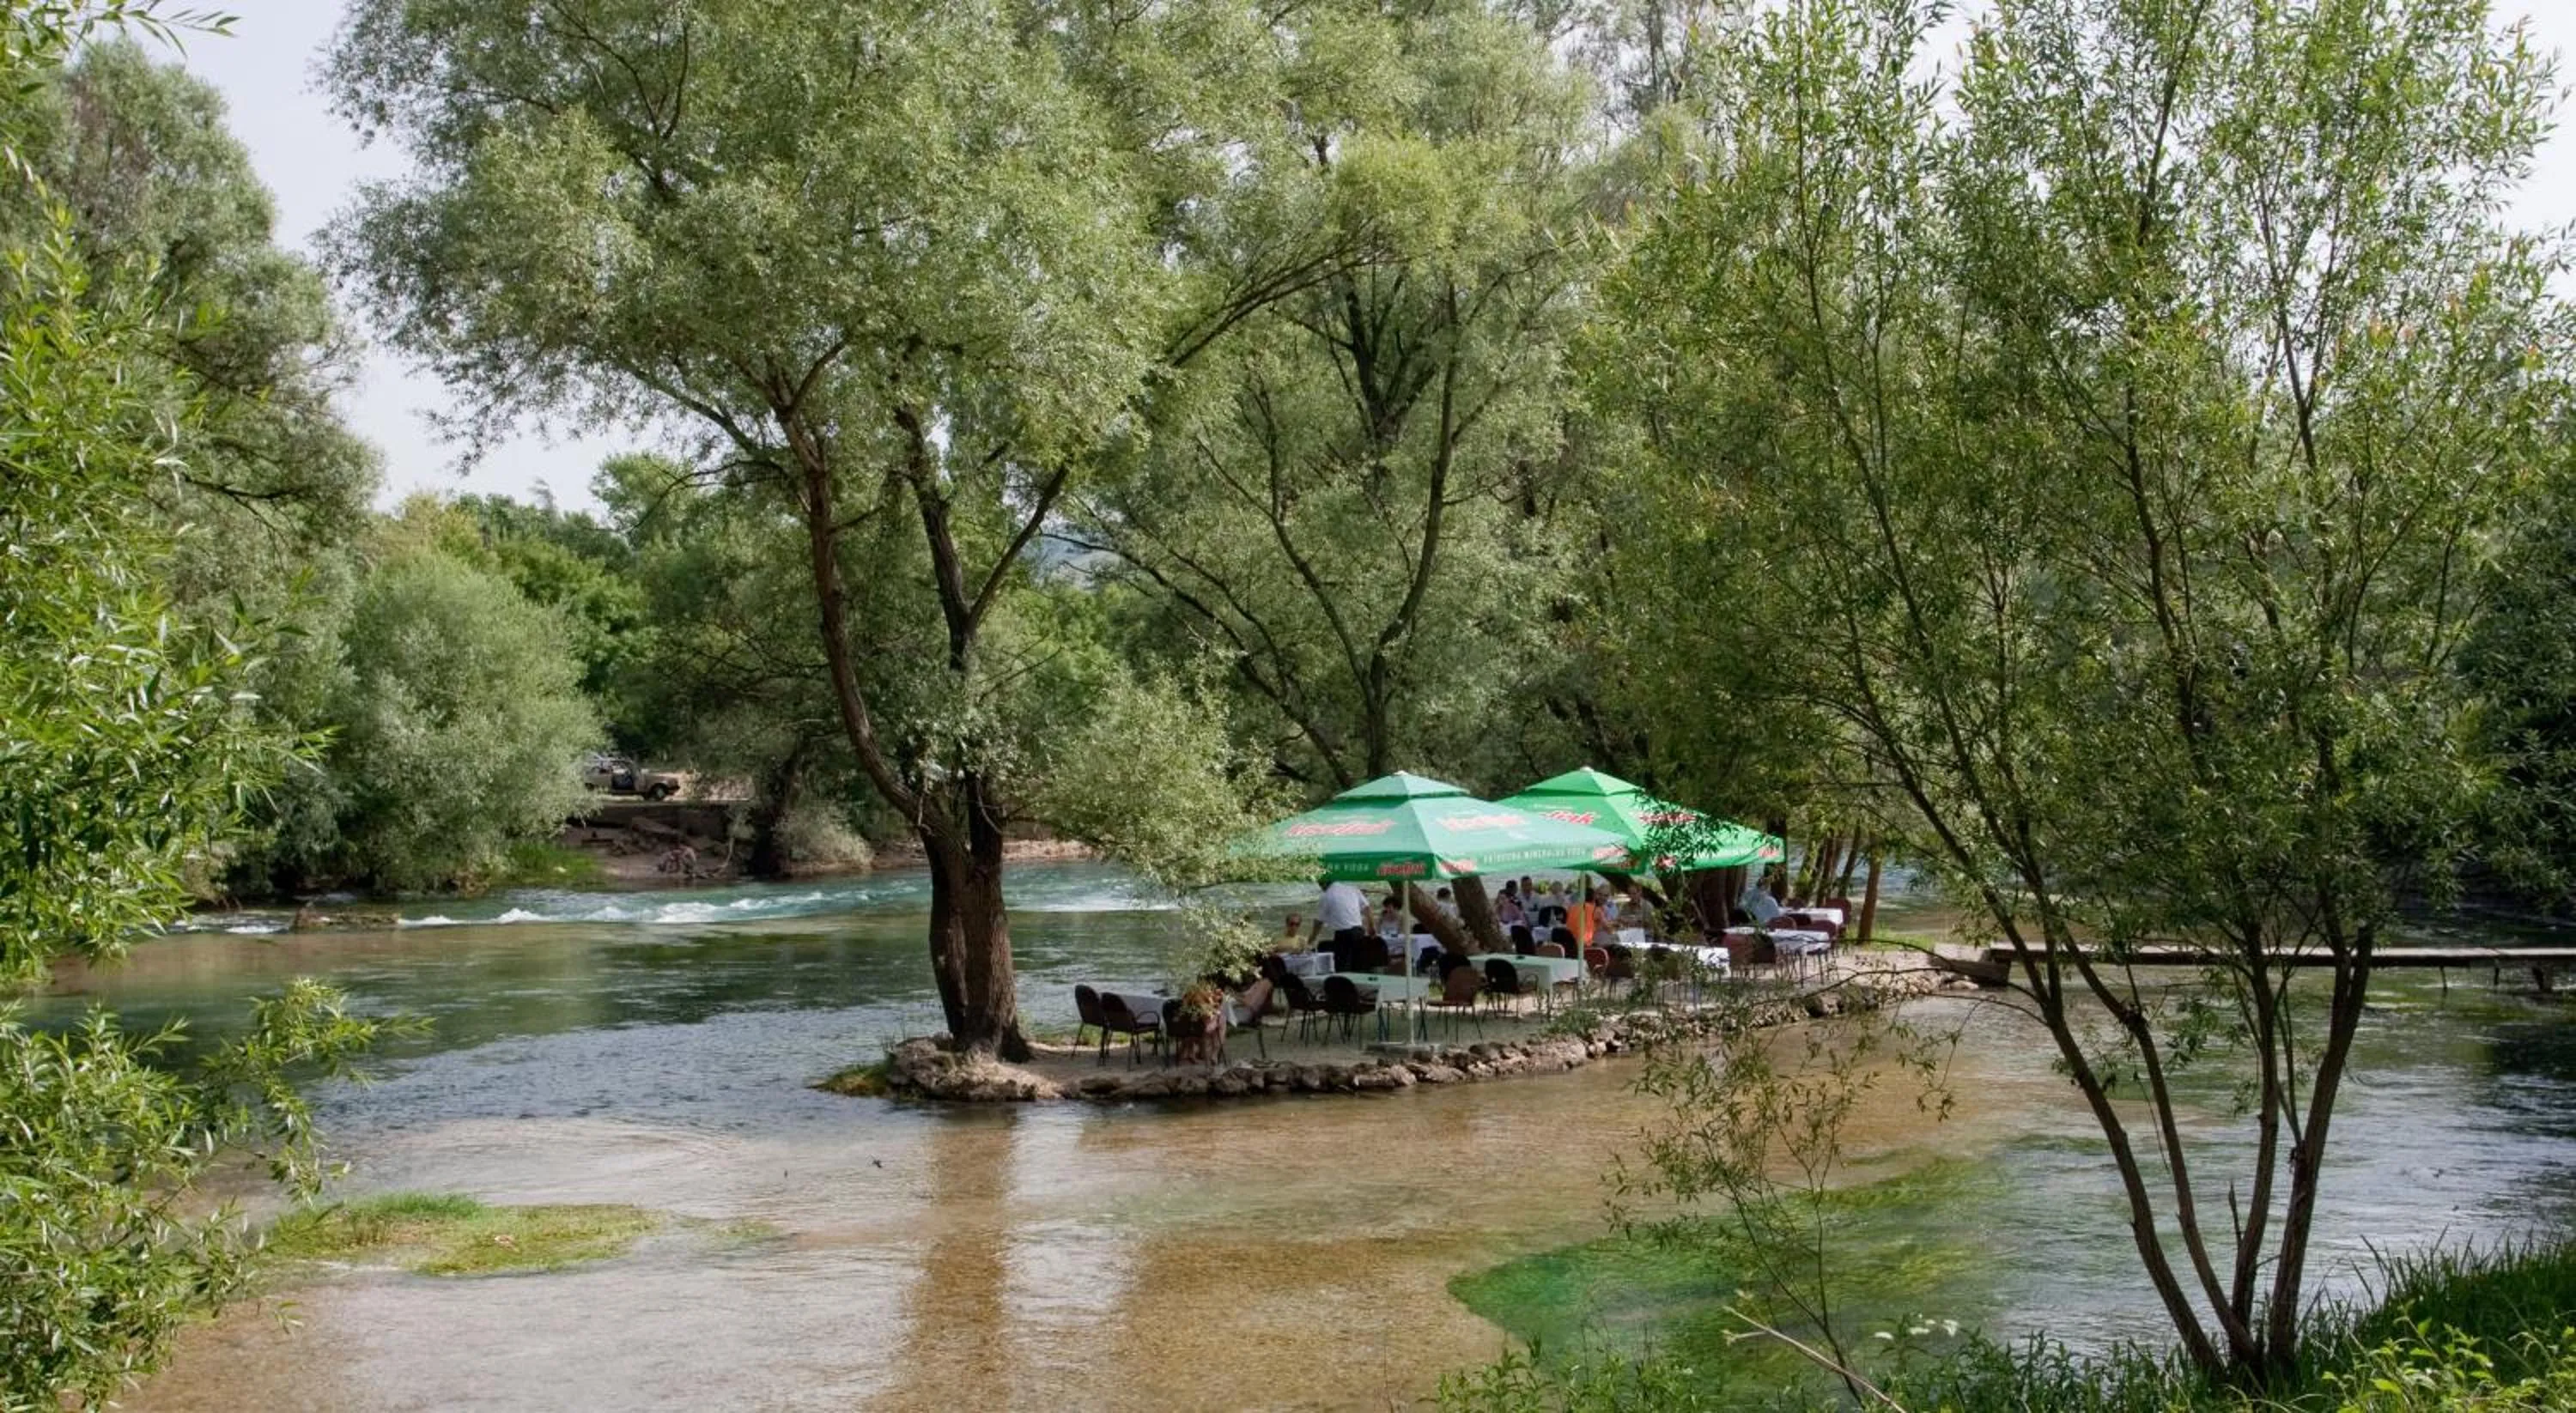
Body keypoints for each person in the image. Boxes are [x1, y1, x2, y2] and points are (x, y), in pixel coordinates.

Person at [1311, 877, 1370, 971]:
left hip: (1343, 935)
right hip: (1359, 932)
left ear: (1325, 883)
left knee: (1342, 966)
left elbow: (1319, 922)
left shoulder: (1327, 895)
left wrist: (1312, 938)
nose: (1321, 888)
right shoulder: (1352, 888)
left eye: (1320, 885)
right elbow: (1367, 908)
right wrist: (1371, 927)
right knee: (1359, 965)